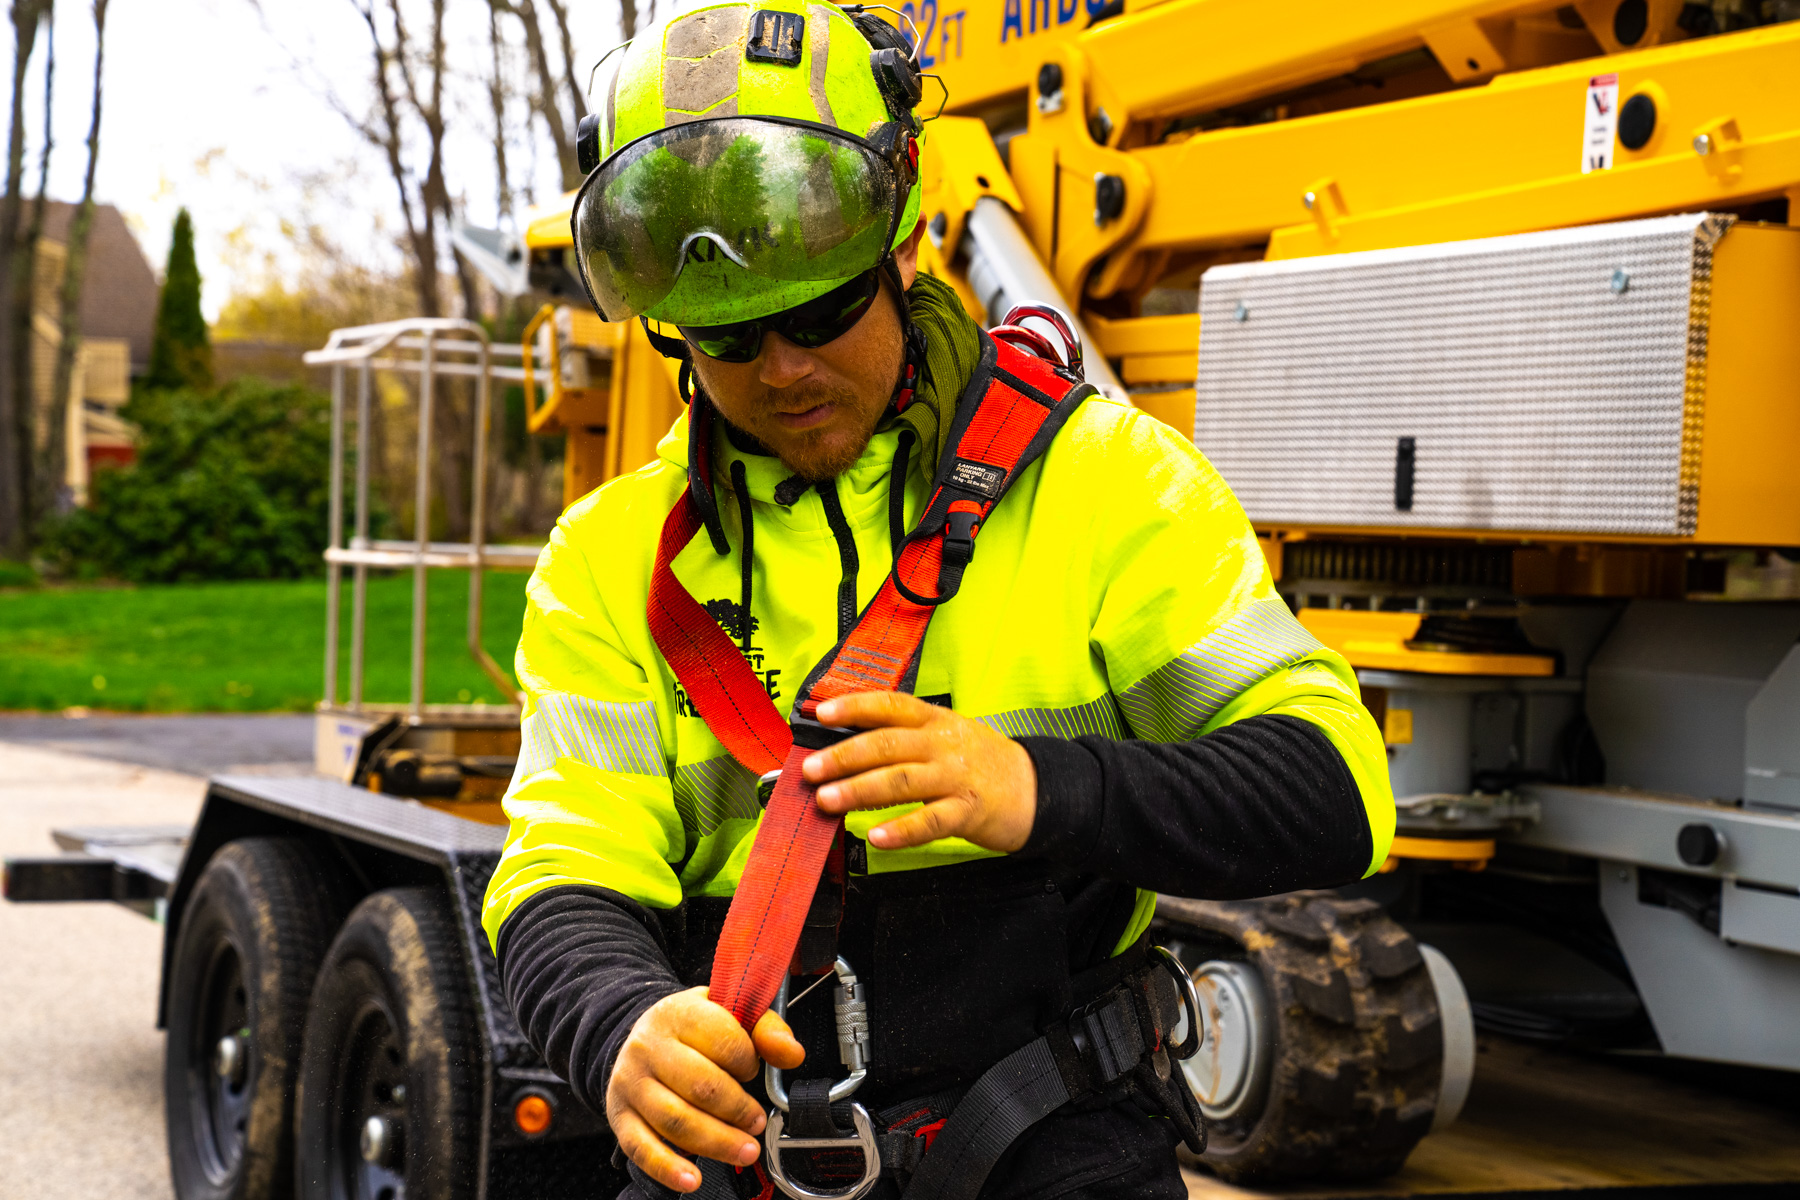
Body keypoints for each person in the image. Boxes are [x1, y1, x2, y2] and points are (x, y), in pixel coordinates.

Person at [481, 3, 1394, 1197]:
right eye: (728, 340)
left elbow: (1336, 791)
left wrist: (1033, 789)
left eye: (819, 312)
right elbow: (563, 866)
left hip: (1056, 1139)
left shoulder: (1107, 484)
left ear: (904, 246)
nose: (785, 370)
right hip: (745, 1156)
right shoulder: (610, 556)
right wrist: (618, 1026)